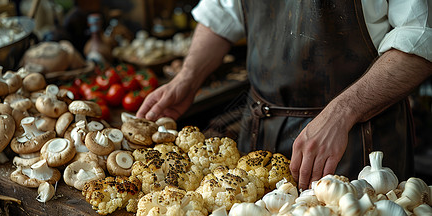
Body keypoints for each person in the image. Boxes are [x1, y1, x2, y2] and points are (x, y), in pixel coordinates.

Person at [137, 0, 432, 190]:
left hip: (356, 138)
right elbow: (221, 13)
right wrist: (187, 79)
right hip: (262, 131)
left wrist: (342, 112)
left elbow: (420, 37)